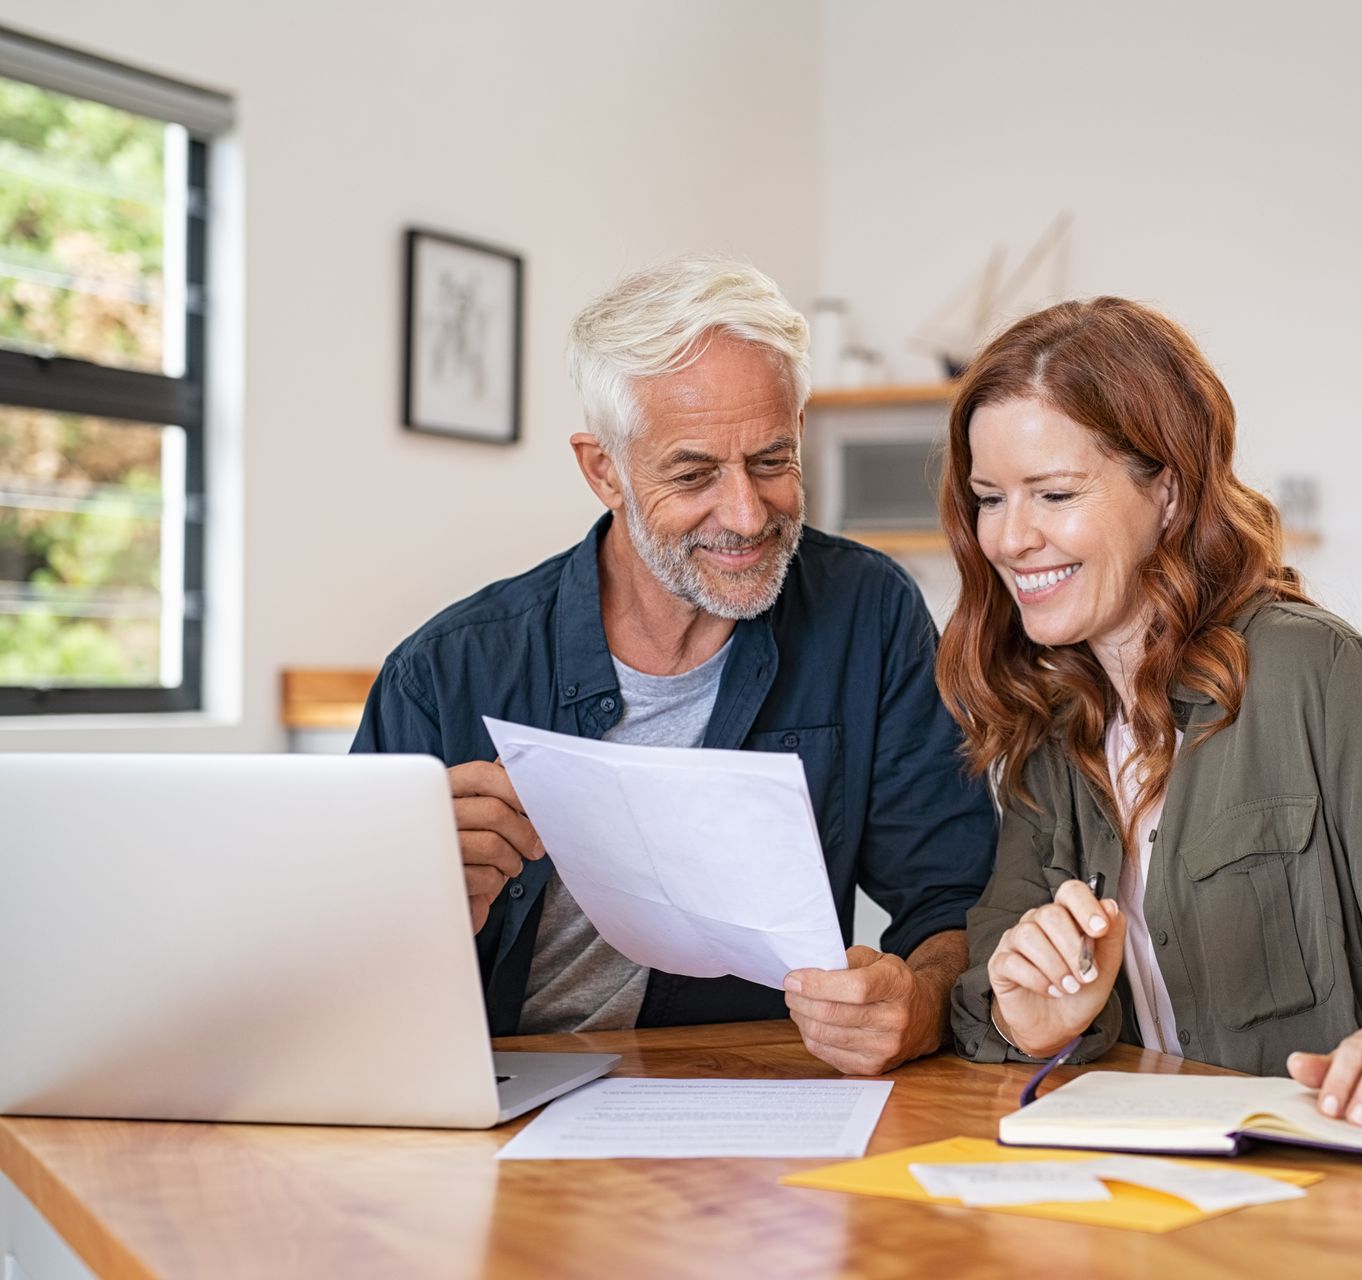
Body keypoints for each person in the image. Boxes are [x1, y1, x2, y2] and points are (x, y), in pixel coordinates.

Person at [941, 298, 1362, 1141]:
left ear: (1166, 491)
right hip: (1175, 1185)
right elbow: (990, 982)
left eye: (1054, 493)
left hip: (1360, 1192)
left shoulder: (1316, 674)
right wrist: (1037, 1016)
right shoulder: (1054, 722)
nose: (1011, 538)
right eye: (989, 498)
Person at [353, 255, 995, 1076]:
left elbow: (953, 901)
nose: (746, 514)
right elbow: (334, 970)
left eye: (772, 461)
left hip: (742, 1091)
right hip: (494, 1091)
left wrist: (920, 1002)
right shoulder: (445, 671)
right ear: (602, 471)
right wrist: (417, 897)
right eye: (693, 474)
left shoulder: (866, 613)